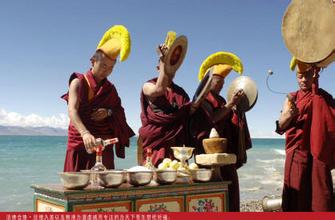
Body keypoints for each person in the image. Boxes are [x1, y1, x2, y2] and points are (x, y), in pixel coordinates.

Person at [61, 25, 135, 172]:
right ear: (93, 61)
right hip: (82, 143)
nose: (106, 71)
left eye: (111, 68)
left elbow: (118, 111)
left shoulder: (110, 89)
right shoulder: (79, 81)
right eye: (103, 66)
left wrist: (108, 112)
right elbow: (72, 110)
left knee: (104, 189)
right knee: (77, 188)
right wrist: (85, 133)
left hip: (104, 145)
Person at [190, 52, 252, 211]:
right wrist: (231, 104)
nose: (222, 84)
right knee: (211, 193)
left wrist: (239, 109)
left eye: (223, 81)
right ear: (209, 81)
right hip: (207, 153)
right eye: (219, 81)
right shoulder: (201, 100)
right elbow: (211, 119)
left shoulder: (222, 100)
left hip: (224, 153)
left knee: (231, 186)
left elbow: (229, 121)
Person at [276, 58, 335, 211]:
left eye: (307, 75)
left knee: (320, 192)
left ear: (314, 74)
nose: (303, 80)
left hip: (318, 153)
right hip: (298, 152)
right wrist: (289, 115)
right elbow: (280, 125)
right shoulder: (292, 97)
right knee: (296, 191)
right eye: (299, 76)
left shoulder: (324, 97)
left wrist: (316, 94)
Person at [138, 32, 192, 166]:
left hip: (177, 149)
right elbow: (159, 89)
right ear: (158, 68)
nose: (170, 71)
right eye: (165, 66)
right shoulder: (148, 85)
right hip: (155, 145)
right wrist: (163, 60)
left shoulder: (181, 93)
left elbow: (188, 116)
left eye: (172, 66)